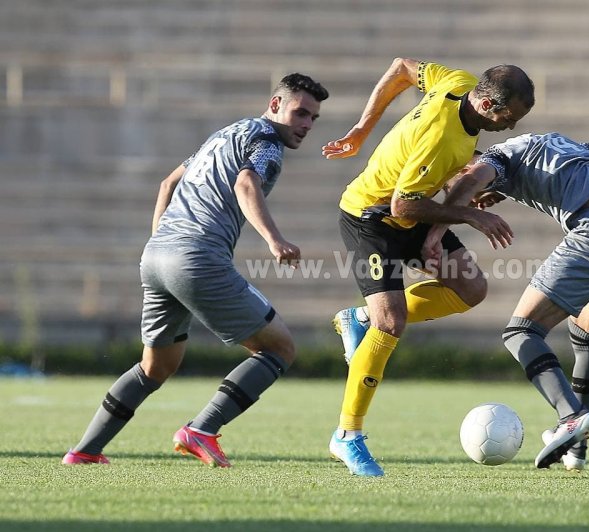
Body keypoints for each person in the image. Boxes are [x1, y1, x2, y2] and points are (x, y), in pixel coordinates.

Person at [62, 73, 329, 467]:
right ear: (275, 105)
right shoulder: (267, 142)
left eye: (313, 118)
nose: (306, 125)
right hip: (197, 258)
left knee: (156, 365)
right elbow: (245, 183)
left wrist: (160, 241)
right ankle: (200, 430)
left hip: (156, 259)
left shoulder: (225, 134)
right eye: (300, 113)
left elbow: (168, 183)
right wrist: (274, 240)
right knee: (279, 347)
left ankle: (85, 451)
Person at [321, 57, 534, 476]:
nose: (511, 128)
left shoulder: (460, 82)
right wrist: (473, 217)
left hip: (414, 212)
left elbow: (402, 67)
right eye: (510, 118)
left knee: (470, 290)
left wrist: (364, 129)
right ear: (489, 105)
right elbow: (403, 204)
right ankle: (348, 436)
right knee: (391, 323)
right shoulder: (442, 136)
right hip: (373, 217)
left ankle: (356, 318)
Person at [423, 131, 589, 470]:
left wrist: (436, 233)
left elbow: (473, 177)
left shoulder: (494, 159)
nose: (467, 200)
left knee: (520, 332)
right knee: (585, 333)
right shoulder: (550, 144)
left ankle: (571, 417)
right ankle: (577, 450)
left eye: (451, 187)